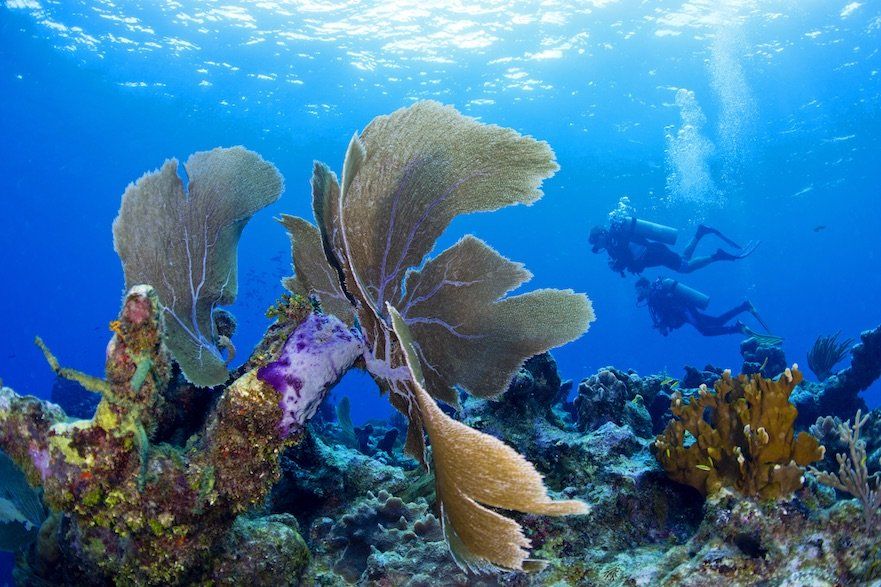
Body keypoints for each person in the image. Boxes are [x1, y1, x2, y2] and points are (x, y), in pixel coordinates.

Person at [589, 216, 757, 277]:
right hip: (652, 256)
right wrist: (617, 266)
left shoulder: (616, 235)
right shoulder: (611, 245)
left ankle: (717, 255)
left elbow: (627, 254)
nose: (597, 247)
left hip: (654, 253)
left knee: (685, 267)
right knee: (684, 262)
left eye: (596, 242)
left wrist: (619, 264)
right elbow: (626, 259)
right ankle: (700, 233)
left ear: (601, 235)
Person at [635, 277, 776, 338]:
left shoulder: (654, 296)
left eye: (639, 290)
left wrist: (663, 326)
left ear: (644, 287)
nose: (638, 293)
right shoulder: (654, 294)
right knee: (716, 322)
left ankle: (738, 328)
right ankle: (744, 307)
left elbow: (665, 312)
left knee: (705, 331)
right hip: (684, 312)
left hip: (684, 311)